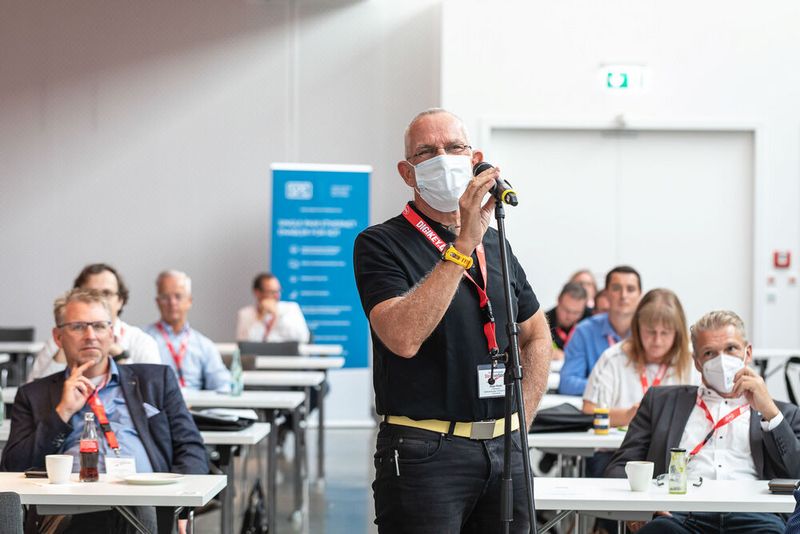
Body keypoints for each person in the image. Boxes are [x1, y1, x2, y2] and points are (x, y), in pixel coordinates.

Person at [353, 108, 552, 533]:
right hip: (425, 451)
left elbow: (536, 334)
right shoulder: (380, 243)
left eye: (455, 147)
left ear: (475, 158)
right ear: (408, 173)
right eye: (427, 151)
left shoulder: (496, 243)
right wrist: (463, 243)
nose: (443, 157)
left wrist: (521, 420)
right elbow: (402, 337)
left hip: (505, 449)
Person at [1, 289, 207, 532]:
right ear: (58, 337)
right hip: (67, 509)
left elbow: (191, 448)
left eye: (99, 326)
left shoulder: (155, 381)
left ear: (112, 333)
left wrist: (180, 504)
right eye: (78, 327)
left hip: (144, 502)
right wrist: (61, 413)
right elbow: (13, 467)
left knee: (137, 505)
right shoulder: (34, 394)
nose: (90, 336)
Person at [605, 310, 800, 534]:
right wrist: (644, 506)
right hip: (680, 517)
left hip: (756, 517)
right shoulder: (660, 402)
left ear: (748, 353)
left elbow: (797, 473)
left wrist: (771, 413)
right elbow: (619, 468)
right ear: (697, 362)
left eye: (730, 349)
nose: (721, 360)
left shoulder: (784, 414)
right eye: (709, 353)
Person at [583, 288, 699, 427]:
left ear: (677, 333)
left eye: (665, 333)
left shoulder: (693, 360)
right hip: (617, 448)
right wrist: (627, 416)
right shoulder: (614, 358)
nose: (657, 341)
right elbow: (587, 413)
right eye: (650, 332)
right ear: (637, 328)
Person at [28, 263, 160, 381]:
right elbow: (33, 394)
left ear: (120, 301)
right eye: (91, 293)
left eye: (107, 293)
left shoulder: (141, 341)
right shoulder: (59, 338)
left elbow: (154, 394)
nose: (100, 299)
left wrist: (121, 357)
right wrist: (66, 345)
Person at [558, 265, 642, 396]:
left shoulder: (650, 332)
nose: (623, 295)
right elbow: (567, 384)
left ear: (640, 295)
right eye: (616, 288)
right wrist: (611, 386)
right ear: (606, 293)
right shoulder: (584, 331)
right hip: (598, 411)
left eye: (630, 289)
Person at [145, 270, 231, 391]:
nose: (172, 303)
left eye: (178, 296)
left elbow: (223, 385)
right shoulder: (144, 340)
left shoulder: (204, 345)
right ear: (157, 302)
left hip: (196, 408)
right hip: (158, 407)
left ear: (189, 301)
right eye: (165, 297)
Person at [236, 272, 310, 342]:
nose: (277, 296)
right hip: (260, 355)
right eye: (272, 292)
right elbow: (245, 343)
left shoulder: (291, 309)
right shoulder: (245, 314)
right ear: (257, 293)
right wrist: (260, 317)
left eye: (278, 291)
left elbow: (303, 337)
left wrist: (276, 315)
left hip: (285, 355)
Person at [545, 281, 588, 360]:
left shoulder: (590, 319)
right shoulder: (544, 322)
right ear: (558, 300)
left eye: (576, 313)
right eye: (566, 310)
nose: (570, 317)